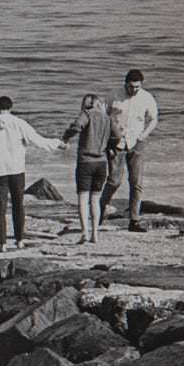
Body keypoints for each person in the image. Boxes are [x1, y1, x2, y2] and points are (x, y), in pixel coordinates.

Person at [0, 96, 64, 252]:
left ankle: (2, 243)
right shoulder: (19, 123)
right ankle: (19, 240)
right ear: (11, 108)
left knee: (0, 207)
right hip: (16, 169)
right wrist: (57, 143)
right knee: (18, 205)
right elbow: (38, 141)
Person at [99, 69, 159, 233]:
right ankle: (98, 211)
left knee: (136, 183)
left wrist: (144, 135)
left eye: (137, 87)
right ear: (125, 83)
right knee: (114, 181)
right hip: (115, 143)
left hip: (136, 142)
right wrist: (105, 141)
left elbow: (154, 119)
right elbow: (102, 117)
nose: (133, 90)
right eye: (131, 87)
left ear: (141, 85)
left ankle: (134, 220)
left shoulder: (146, 98)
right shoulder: (113, 95)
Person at [62, 94, 113, 245]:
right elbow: (116, 136)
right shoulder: (107, 118)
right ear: (98, 104)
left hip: (85, 162)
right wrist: (110, 148)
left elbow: (77, 126)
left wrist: (66, 137)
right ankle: (95, 234)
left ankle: (85, 233)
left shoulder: (86, 114)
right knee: (95, 200)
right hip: (102, 163)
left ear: (86, 104)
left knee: (83, 199)